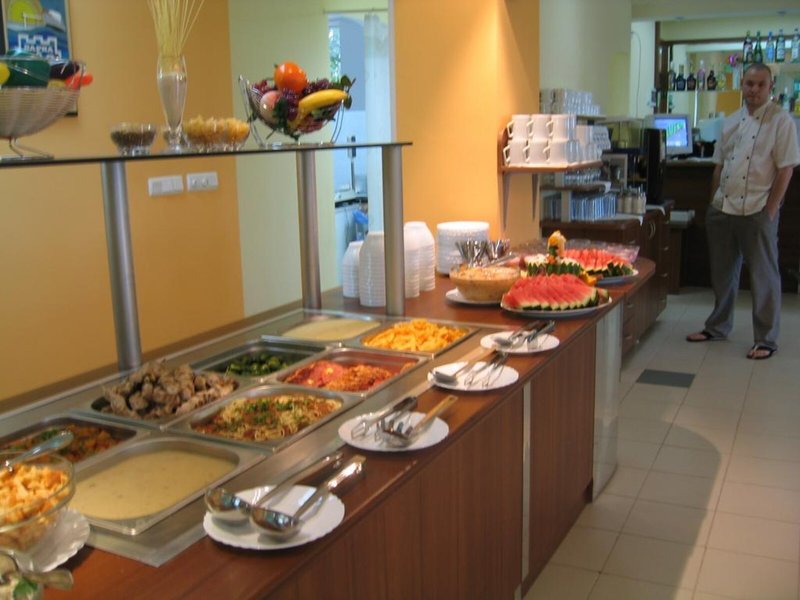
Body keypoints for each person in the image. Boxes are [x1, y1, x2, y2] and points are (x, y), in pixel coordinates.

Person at [687, 62, 800, 359]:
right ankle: (717, 327)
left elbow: (786, 169)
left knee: (764, 276)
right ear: (742, 85)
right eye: (749, 83)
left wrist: (771, 209)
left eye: (761, 84)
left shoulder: (782, 121)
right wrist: (713, 201)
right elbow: (719, 165)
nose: (754, 90)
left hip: (758, 209)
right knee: (722, 273)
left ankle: (766, 339)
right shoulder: (731, 120)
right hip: (723, 208)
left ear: (770, 87)